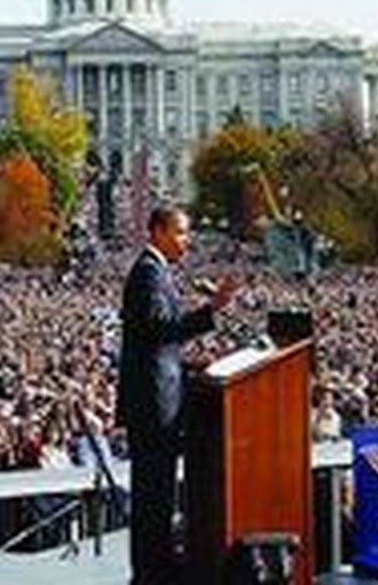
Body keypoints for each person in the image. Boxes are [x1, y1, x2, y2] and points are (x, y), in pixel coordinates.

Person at [118, 205, 237, 585]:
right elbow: (160, 329)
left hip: (159, 398)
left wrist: (189, 365)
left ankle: (156, 568)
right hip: (154, 404)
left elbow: (153, 342)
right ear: (157, 232)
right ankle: (153, 572)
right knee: (154, 495)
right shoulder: (148, 273)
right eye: (181, 232)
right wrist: (210, 310)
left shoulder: (156, 272)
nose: (188, 240)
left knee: (158, 493)